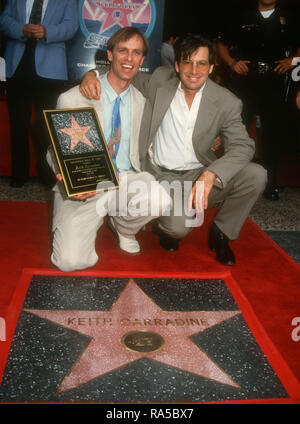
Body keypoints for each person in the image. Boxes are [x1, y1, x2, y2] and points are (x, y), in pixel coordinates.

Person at [80, 33, 267, 266]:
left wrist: (211, 174)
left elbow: (243, 145)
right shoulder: (160, 80)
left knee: (256, 175)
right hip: (161, 176)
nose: (194, 70)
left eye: (201, 63)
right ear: (177, 65)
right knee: (176, 229)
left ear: (211, 67)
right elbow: (122, 73)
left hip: (199, 174)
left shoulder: (227, 101)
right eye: (187, 62)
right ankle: (165, 227)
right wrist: (91, 74)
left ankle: (221, 232)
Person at [46, 27, 171, 272]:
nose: (129, 58)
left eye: (136, 53)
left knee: (160, 198)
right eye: (122, 50)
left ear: (142, 60)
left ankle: (123, 227)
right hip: (86, 186)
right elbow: (53, 151)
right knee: (69, 262)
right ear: (110, 55)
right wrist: (65, 174)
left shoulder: (142, 103)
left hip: (125, 178)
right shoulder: (73, 98)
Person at [217, 0, 300, 200]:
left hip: (274, 80)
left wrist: (294, 61)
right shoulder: (242, 14)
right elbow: (220, 44)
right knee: (236, 129)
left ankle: (269, 184)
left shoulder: (289, 17)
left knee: (273, 133)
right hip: (245, 79)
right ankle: (227, 181)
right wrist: (232, 63)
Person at [0, 0, 78, 188]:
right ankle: (19, 175)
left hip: (51, 71)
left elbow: (71, 26)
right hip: (17, 67)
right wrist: (21, 29)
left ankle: (48, 176)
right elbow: (3, 20)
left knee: (47, 126)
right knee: (18, 124)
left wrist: (47, 31)